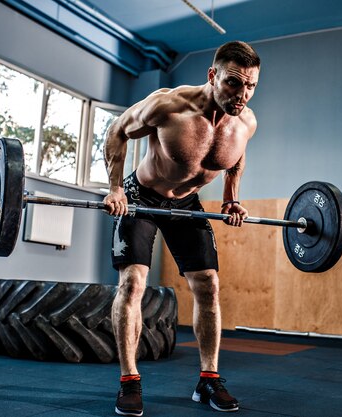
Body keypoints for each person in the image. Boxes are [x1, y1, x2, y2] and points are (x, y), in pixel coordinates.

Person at [103, 40, 260, 417]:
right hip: (141, 196)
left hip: (187, 204)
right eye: (234, 84)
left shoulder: (247, 123)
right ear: (212, 75)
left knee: (208, 285)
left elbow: (235, 160)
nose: (242, 95)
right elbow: (117, 130)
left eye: (251, 86)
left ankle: (208, 380)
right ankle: (129, 381)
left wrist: (230, 198)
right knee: (133, 283)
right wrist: (113, 187)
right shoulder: (168, 106)